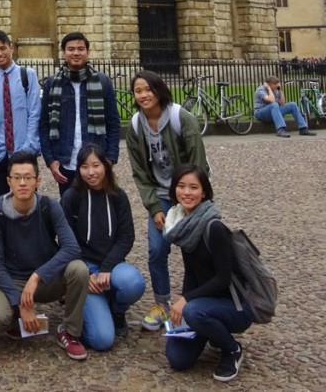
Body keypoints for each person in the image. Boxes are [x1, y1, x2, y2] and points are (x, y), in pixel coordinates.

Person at [0, 150, 89, 362]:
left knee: (79, 269)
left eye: (28, 178)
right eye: (17, 178)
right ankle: (16, 322)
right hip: (14, 280)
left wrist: (37, 276)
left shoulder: (49, 206)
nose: (22, 183)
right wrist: (20, 303)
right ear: (8, 181)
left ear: (38, 181)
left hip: (47, 279)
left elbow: (71, 248)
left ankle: (70, 331)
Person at [126, 69, 209, 331]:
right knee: (156, 250)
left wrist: (191, 202)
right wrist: (153, 207)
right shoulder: (136, 126)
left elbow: (198, 164)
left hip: (188, 194)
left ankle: (192, 304)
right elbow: (140, 172)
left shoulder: (181, 119)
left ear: (158, 90)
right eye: (138, 91)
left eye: (147, 89)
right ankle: (162, 304)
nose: (143, 95)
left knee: (194, 250)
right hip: (160, 196)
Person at [163, 164, 252, 383]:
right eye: (181, 186)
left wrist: (186, 301)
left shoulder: (214, 228)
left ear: (204, 192)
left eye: (193, 187)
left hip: (236, 306)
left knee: (193, 311)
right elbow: (191, 273)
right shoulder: (185, 226)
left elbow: (224, 278)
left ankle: (232, 349)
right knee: (178, 359)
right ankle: (211, 331)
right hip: (203, 304)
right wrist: (181, 314)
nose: (186, 192)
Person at [61, 145, 145, 350]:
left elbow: (126, 237)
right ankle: (90, 310)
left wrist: (107, 267)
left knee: (133, 283)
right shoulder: (71, 197)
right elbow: (66, 242)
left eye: (95, 165)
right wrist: (86, 273)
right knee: (102, 340)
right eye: (84, 166)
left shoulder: (118, 196)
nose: (91, 172)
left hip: (112, 266)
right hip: (85, 268)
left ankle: (117, 310)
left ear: (106, 166)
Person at [40, 32, 120, 195]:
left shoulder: (103, 82)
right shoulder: (52, 84)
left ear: (87, 52)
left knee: (97, 212)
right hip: (65, 162)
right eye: (71, 49)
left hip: (95, 162)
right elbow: (44, 125)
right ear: (64, 53)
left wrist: (110, 158)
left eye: (80, 49)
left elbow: (113, 122)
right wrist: (51, 161)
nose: (76, 53)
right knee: (70, 214)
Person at [0, 30, 41, 200]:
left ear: (11, 48)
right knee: (1, 203)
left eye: (2, 48)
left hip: (24, 150)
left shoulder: (27, 75)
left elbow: (34, 113)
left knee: (26, 200)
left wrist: (29, 146)